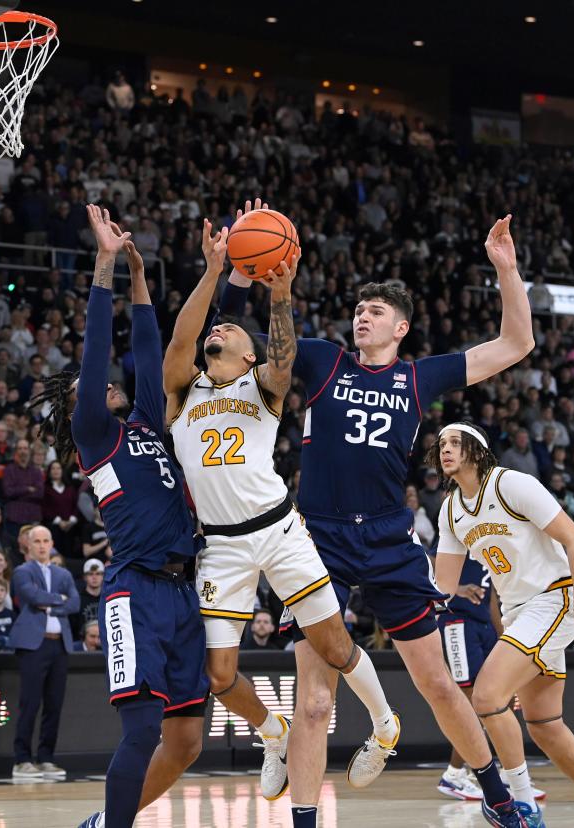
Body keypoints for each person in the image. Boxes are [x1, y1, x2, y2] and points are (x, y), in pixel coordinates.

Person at [219, 208, 526, 826]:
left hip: (389, 538)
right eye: (360, 310)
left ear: (402, 327)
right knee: (314, 700)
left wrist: (507, 270)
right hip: (318, 540)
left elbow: (515, 345)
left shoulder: (418, 378)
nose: (363, 316)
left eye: (377, 311)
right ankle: (304, 819)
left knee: (438, 684)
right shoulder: (322, 361)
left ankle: (497, 796)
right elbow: (238, 332)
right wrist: (241, 268)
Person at [167, 216, 397, 805]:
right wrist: (215, 270)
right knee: (218, 676)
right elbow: (179, 340)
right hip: (221, 546)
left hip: (278, 531)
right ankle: (274, 735)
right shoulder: (183, 393)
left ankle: (385, 723)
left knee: (336, 647)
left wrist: (282, 293)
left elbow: (284, 355)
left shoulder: (261, 390)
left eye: (229, 331)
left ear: (247, 357)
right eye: (214, 329)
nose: (218, 329)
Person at [29, 209, 211, 828]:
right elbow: (99, 350)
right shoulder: (94, 434)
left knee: (186, 741)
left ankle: (106, 820)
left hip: (184, 593)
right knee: (140, 733)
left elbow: (147, 346)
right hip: (134, 593)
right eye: (98, 386)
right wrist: (104, 264)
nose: (110, 384)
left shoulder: (145, 425)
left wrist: (140, 277)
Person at [431, 423, 574, 827]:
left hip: (553, 599)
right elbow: (443, 588)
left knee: (487, 697)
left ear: (477, 449)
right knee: (543, 723)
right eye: (441, 445)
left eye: (455, 442)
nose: (445, 450)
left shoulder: (512, 485)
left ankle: (521, 804)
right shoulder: (451, 510)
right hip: (517, 613)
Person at [434, 551, 512, 802]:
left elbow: (491, 602)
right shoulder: (453, 541)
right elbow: (425, 571)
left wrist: (505, 640)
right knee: (472, 705)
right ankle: (453, 775)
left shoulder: (487, 548)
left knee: (499, 700)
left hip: (484, 627)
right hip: (457, 624)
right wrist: (456, 588)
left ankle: (510, 774)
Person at [10, 525, 79, 781]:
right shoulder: (22, 570)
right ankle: (22, 759)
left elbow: (74, 603)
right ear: (28, 545)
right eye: (36, 541)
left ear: (51, 543)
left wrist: (49, 605)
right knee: (30, 702)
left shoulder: (63, 573)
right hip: (33, 645)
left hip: (59, 644)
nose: (41, 545)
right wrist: (58, 600)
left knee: (54, 703)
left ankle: (46, 757)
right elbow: (30, 595)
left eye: (45, 540)